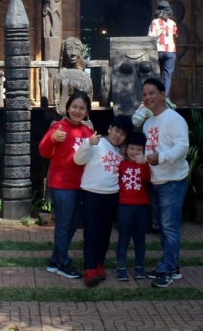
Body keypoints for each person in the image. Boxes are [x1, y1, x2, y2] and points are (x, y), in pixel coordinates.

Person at [38, 90, 96, 279]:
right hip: (62, 184)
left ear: (87, 111)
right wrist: (53, 139)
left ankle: (55, 261)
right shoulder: (59, 127)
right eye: (74, 107)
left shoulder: (88, 131)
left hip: (82, 185)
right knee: (63, 223)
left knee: (71, 224)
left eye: (82, 108)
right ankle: (63, 262)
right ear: (68, 108)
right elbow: (43, 151)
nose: (77, 111)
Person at [73, 115, 133, 287]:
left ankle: (99, 263)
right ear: (109, 128)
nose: (118, 135)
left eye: (123, 134)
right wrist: (87, 143)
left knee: (105, 232)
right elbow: (78, 159)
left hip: (111, 195)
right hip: (90, 194)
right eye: (116, 130)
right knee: (91, 231)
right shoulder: (97, 143)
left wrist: (127, 156)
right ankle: (89, 268)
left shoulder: (122, 153)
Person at [141, 78, 190, 288]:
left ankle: (167, 268)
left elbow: (182, 148)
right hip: (155, 181)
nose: (147, 97)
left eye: (151, 93)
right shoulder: (148, 123)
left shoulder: (174, 119)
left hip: (173, 181)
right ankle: (172, 266)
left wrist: (161, 158)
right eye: (144, 95)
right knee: (161, 226)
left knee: (169, 227)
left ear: (163, 94)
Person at [115, 131, 151, 281]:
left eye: (138, 149)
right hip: (124, 206)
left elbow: (147, 179)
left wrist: (143, 164)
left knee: (139, 238)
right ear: (126, 149)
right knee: (123, 237)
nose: (135, 152)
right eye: (132, 149)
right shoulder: (121, 164)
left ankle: (139, 266)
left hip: (142, 206)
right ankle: (121, 267)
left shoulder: (145, 165)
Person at [149, 1, 178, 103]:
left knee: (156, 75)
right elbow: (175, 35)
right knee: (167, 76)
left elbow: (151, 37)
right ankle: (164, 98)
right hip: (170, 51)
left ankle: (155, 97)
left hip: (158, 50)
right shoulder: (173, 23)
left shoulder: (154, 23)